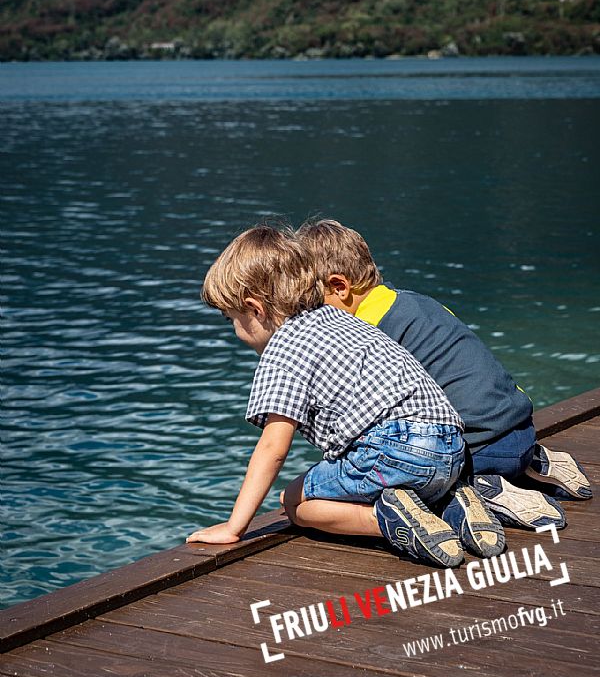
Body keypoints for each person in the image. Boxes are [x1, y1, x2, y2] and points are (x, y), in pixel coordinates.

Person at [186, 225, 504, 567]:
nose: (236, 331)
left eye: (232, 318)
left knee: (294, 502)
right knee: (393, 476)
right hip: (452, 450)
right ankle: (452, 502)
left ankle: (389, 522)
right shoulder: (343, 319)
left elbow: (273, 448)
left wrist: (235, 527)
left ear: (255, 309)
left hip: (397, 452)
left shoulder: (283, 348)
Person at [296, 219, 592, 535]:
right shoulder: (418, 302)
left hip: (478, 452)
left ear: (340, 287)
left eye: (311, 303)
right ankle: (535, 460)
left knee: (406, 475)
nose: (307, 314)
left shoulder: (364, 338)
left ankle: (487, 490)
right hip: (520, 428)